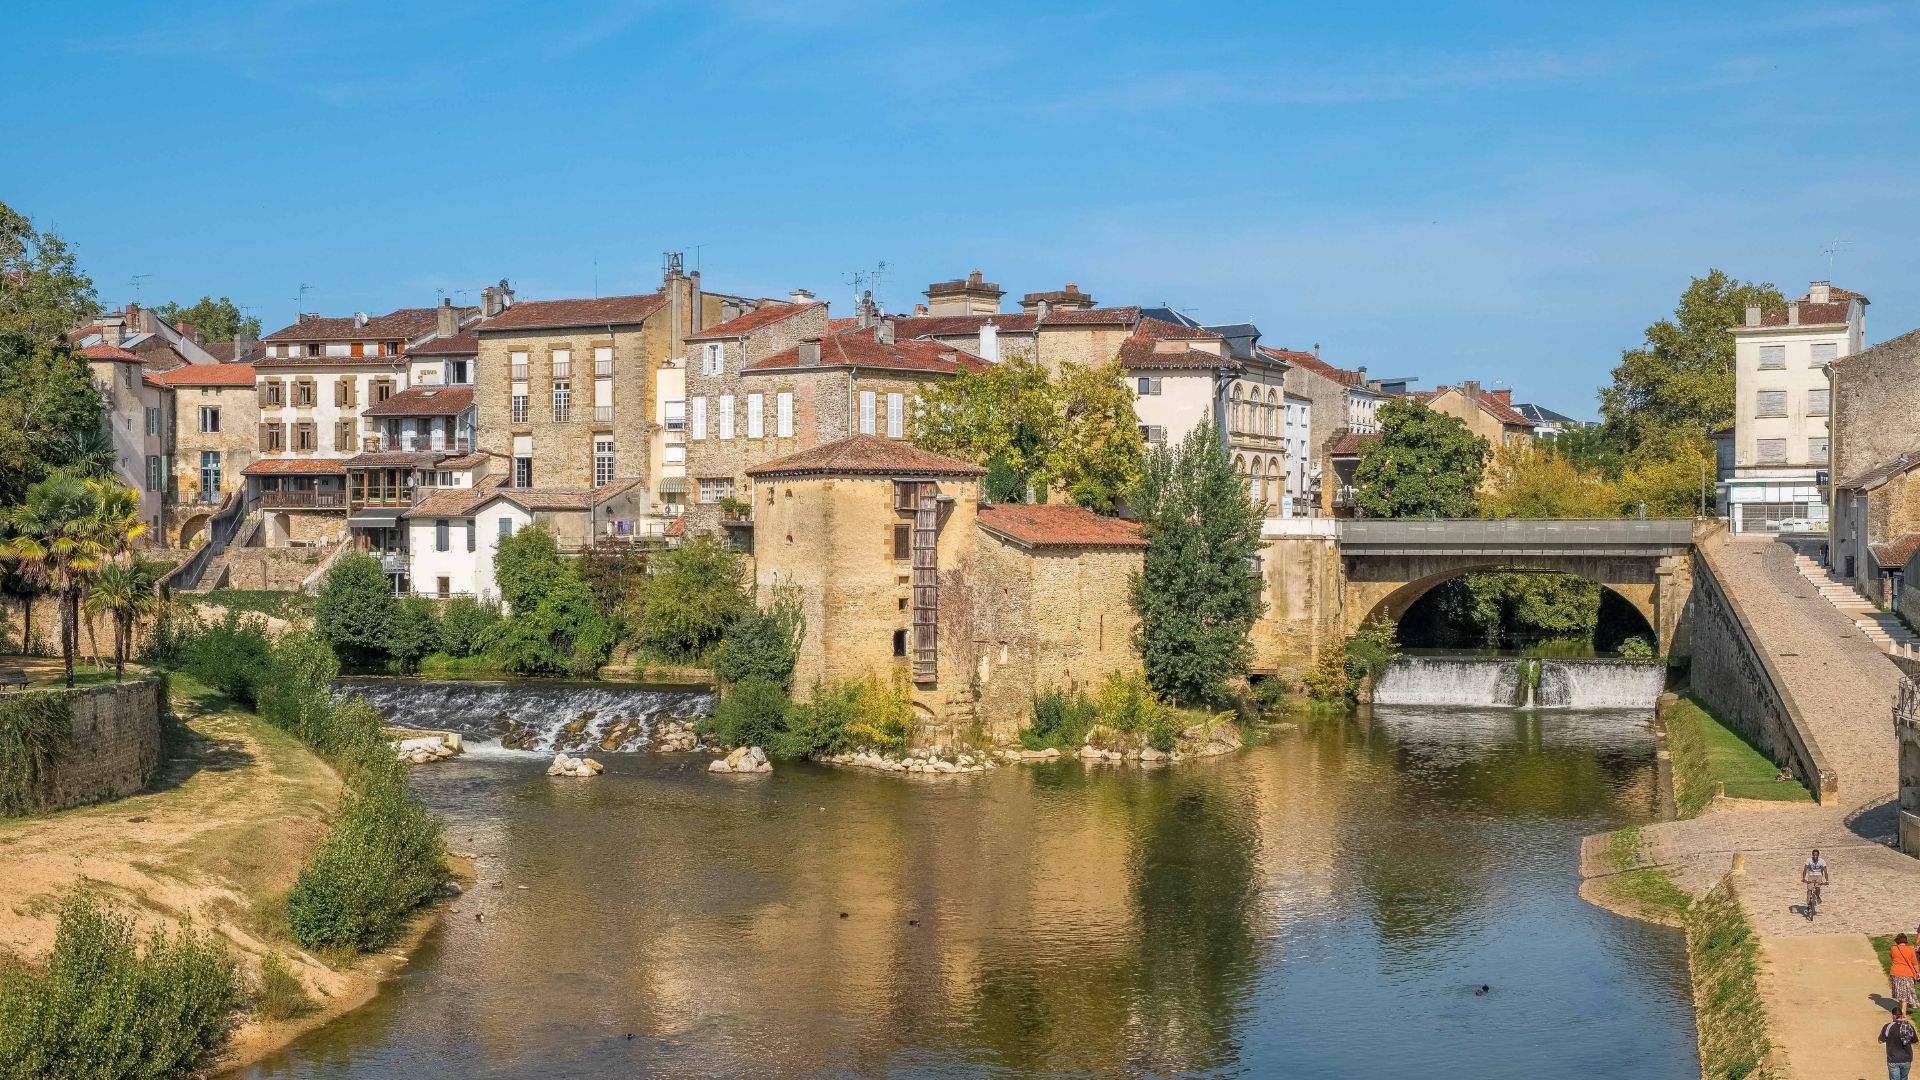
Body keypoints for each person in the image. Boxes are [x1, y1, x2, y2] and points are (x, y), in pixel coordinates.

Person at [1882, 1005, 1917, 1080]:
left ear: (1893, 1015)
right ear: (1901, 1015)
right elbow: (1915, 1041)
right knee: (1904, 1078)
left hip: (1893, 1059)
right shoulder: (1908, 1026)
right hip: (1907, 1059)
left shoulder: (1888, 1026)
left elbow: (1880, 1040)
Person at [1895, 935, 1920, 1013]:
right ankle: (1903, 1013)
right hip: (1907, 973)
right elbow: (1915, 964)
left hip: (1895, 973)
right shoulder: (1910, 950)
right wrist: (1918, 972)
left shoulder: (1893, 949)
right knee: (1905, 995)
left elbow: (1892, 956)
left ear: (1897, 941)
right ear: (1906, 941)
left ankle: (1900, 1010)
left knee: (1900, 994)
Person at [1804, 849, 1830, 919]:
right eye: (1814, 855)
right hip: (1811, 875)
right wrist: (1804, 878)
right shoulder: (1808, 860)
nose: (1815, 856)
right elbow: (1805, 869)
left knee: (1818, 887)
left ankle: (1817, 896)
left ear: (1818, 855)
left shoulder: (1822, 861)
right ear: (1812, 855)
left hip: (1819, 875)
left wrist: (1827, 880)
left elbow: (1825, 871)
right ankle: (1808, 903)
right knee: (1809, 889)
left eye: (1816, 855)